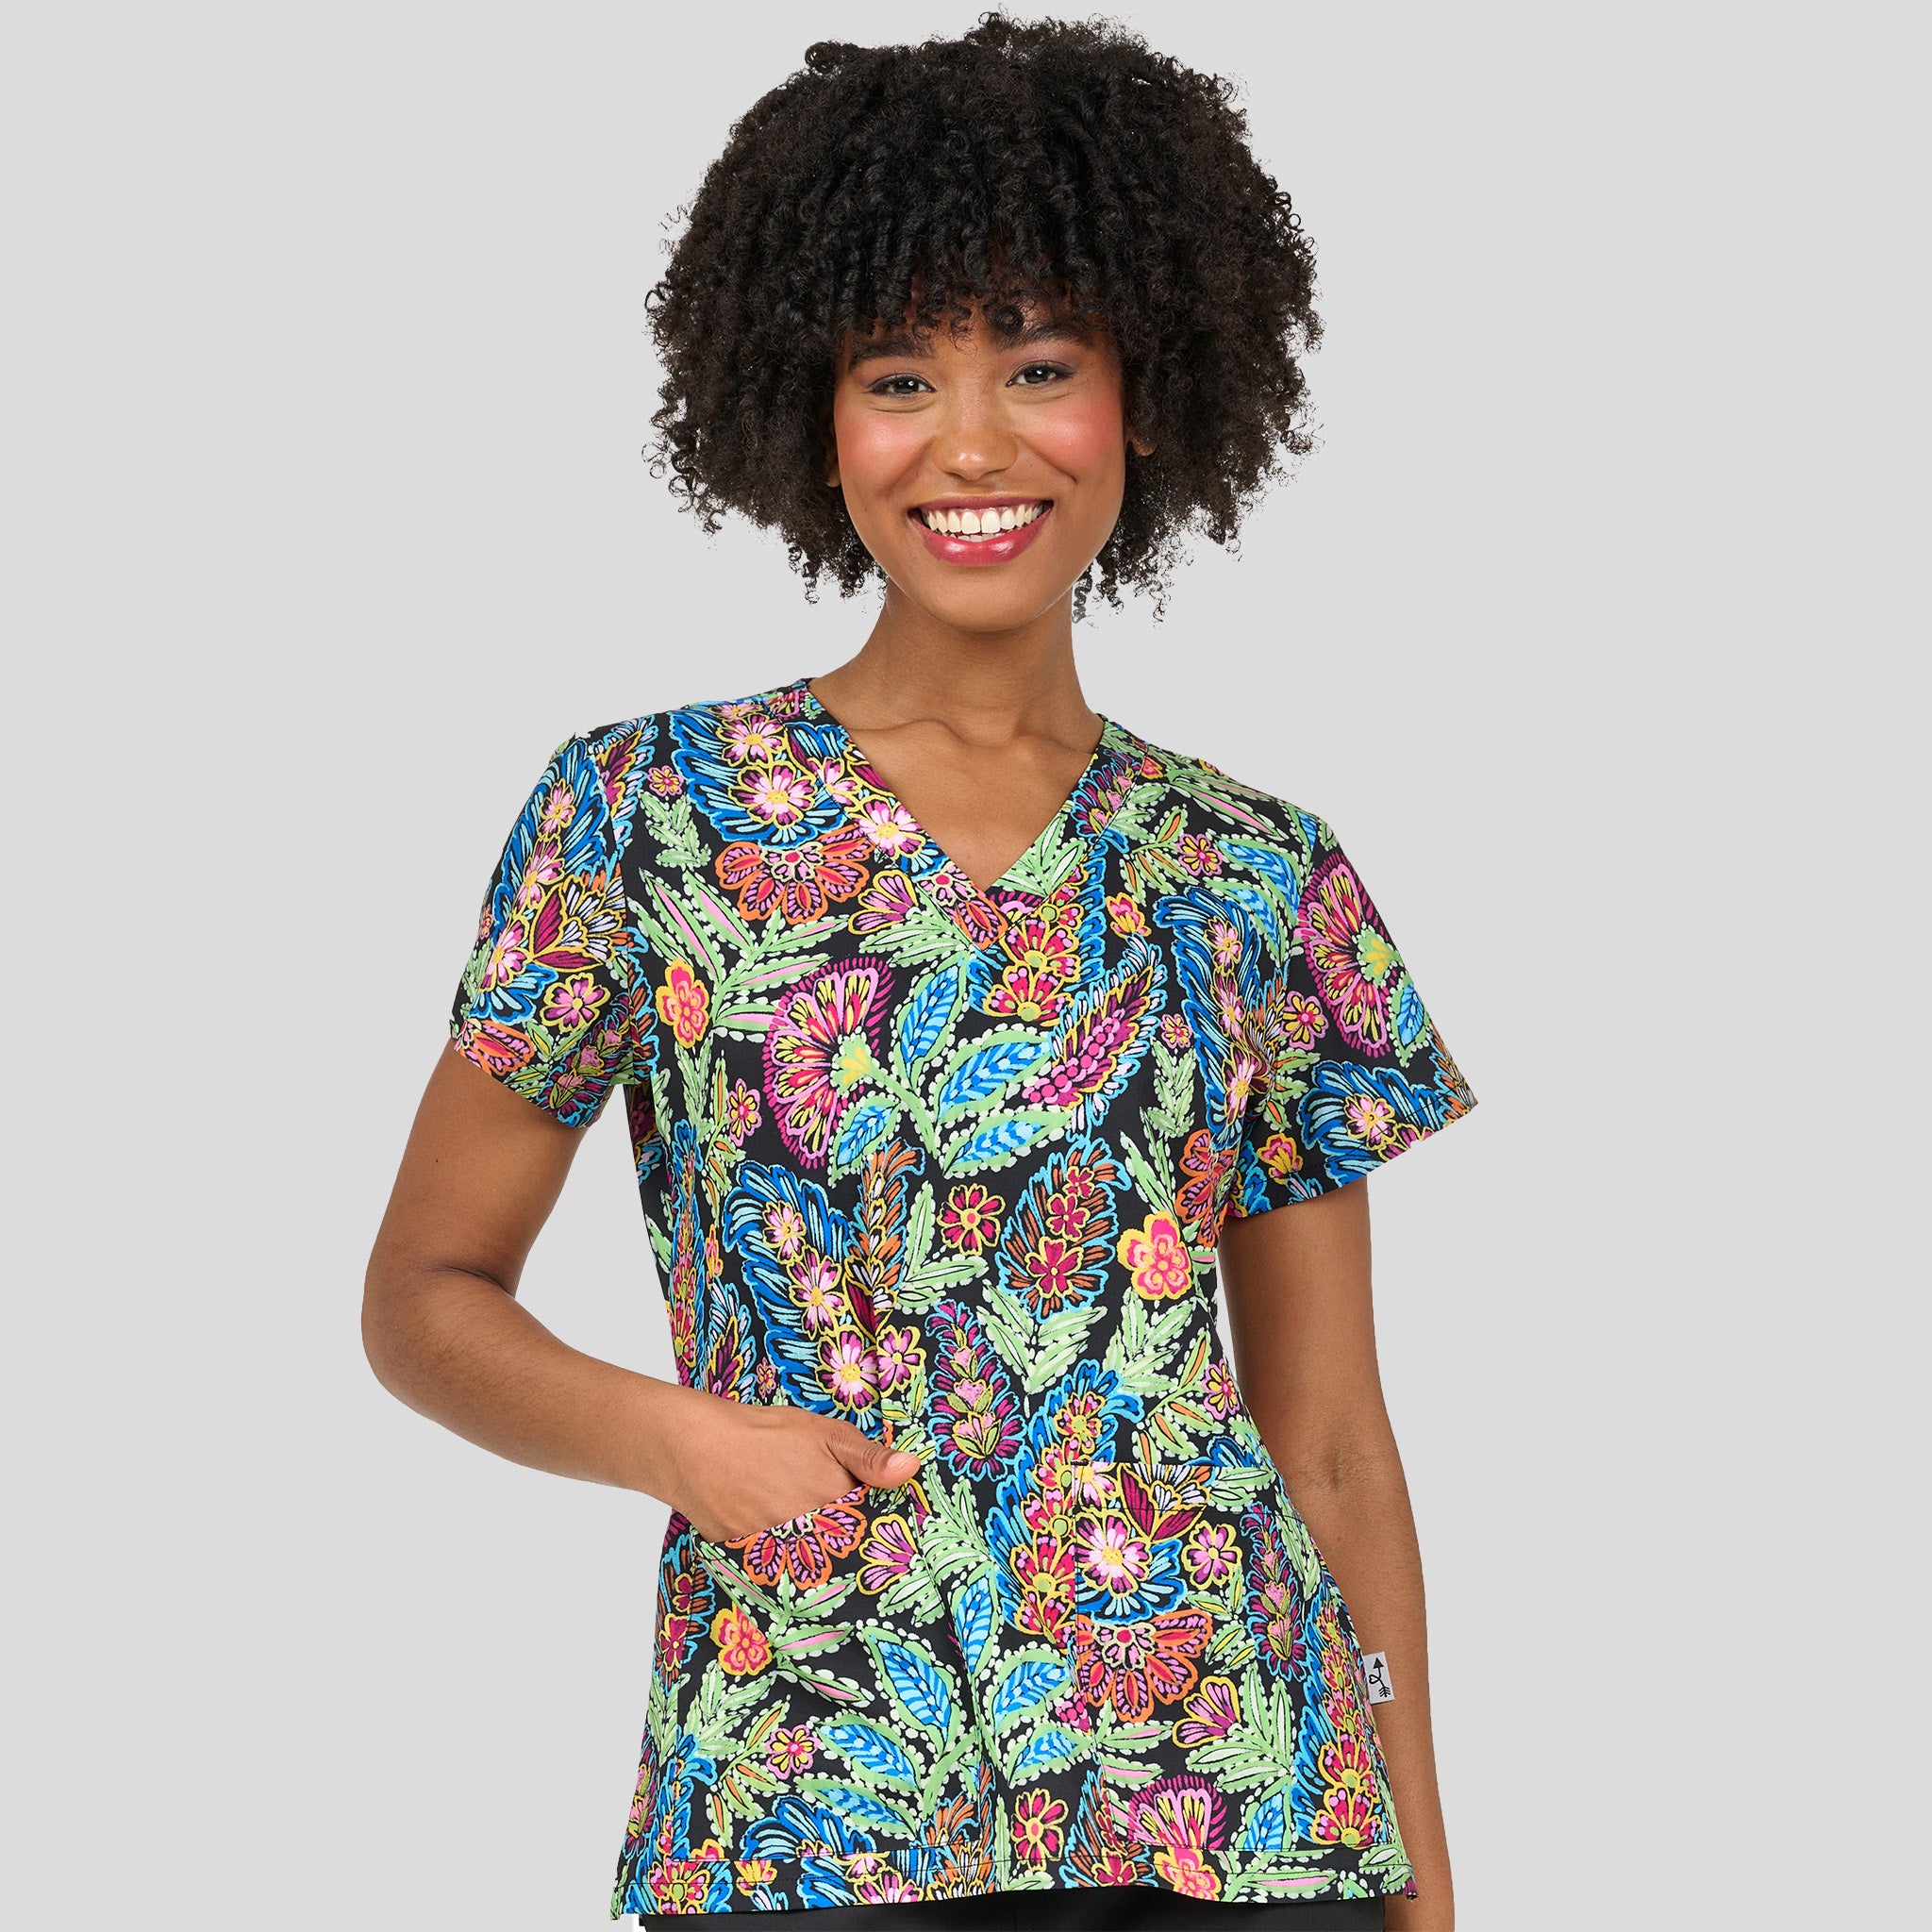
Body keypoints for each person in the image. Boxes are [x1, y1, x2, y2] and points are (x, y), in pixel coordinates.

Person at [363, 19, 1475, 1932]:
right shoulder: (646, 814)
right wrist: (672, 1438)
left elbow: (1333, 1445)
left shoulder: (1254, 868)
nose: (973, 443)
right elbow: (421, 1297)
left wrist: (1423, 1876)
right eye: (900, 377)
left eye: (1039, 365)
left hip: (1246, 1821)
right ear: (812, 416)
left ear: (1145, 397)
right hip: (804, 1806)